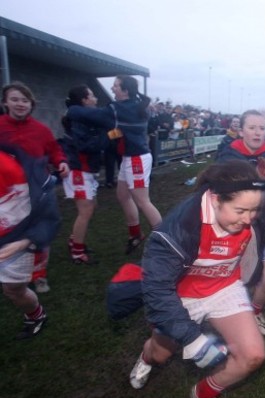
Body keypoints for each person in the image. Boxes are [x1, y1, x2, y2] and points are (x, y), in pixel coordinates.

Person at [127, 160, 265, 398]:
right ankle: (146, 356)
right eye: (240, 210)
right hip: (179, 296)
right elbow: (157, 291)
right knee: (161, 355)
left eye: (254, 210)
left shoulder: (254, 208)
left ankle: (203, 394)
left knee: (253, 356)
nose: (249, 218)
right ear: (215, 200)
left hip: (224, 287)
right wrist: (193, 339)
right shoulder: (179, 227)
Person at [66, 75, 162, 254]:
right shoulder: (135, 105)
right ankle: (135, 234)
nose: (112, 89)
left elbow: (87, 114)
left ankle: (166, 241)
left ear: (125, 91)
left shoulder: (119, 109)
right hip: (131, 157)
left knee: (143, 201)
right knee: (122, 195)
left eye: (116, 86)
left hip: (136, 159)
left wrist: (71, 108)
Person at [215, 109, 265, 336]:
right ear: (241, 130)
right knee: (232, 279)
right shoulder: (228, 156)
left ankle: (255, 310)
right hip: (234, 227)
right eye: (252, 127)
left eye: (262, 128)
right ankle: (225, 317)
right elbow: (220, 192)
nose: (257, 132)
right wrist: (257, 177)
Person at [0, 81, 70, 294]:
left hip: (38, 191)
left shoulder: (41, 130)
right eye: (15, 99)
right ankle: (9, 271)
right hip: (8, 194)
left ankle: (39, 275)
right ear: (5, 103)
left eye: (25, 100)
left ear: (31, 104)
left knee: (39, 232)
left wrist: (61, 162)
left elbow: (54, 150)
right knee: (10, 232)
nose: (20, 104)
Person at [0, 142, 60, 339]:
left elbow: (48, 216)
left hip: (15, 241)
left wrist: (26, 241)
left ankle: (36, 316)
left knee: (13, 290)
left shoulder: (16, 167)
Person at [60, 85, 108, 264]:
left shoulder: (82, 118)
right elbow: (87, 146)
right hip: (78, 170)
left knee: (91, 206)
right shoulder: (78, 121)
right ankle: (77, 253)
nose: (95, 99)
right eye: (93, 96)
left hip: (85, 170)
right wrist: (108, 135)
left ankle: (74, 241)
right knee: (85, 211)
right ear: (84, 100)